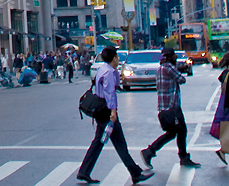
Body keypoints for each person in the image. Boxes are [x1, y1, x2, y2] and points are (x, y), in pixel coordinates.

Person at [75, 45, 152, 185]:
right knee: (120, 144)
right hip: (106, 111)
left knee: (99, 142)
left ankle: (84, 171)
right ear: (114, 57)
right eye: (117, 57)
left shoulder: (102, 69)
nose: (118, 59)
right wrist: (113, 112)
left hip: (99, 110)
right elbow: (110, 92)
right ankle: (135, 173)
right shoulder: (109, 72)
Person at [142, 47, 200, 169]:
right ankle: (181, 157)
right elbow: (181, 79)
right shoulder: (168, 68)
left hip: (165, 108)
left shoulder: (161, 68)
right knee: (180, 131)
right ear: (171, 57)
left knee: (174, 133)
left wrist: (178, 69)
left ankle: (151, 151)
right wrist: (180, 69)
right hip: (172, 108)